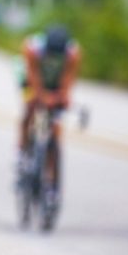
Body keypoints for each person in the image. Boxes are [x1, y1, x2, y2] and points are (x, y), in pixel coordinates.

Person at [17, 25, 81, 191]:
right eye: (50, 53)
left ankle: (51, 176)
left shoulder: (73, 53)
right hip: (31, 79)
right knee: (30, 108)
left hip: (53, 82)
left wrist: (63, 96)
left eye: (57, 55)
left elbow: (68, 78)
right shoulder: (32, 48)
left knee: (55, 125)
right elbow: (33, 75)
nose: (53, 56)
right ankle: (22, 153)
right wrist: (41, 96)